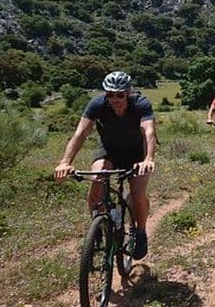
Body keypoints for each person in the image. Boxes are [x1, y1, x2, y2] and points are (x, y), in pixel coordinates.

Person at [54, 71, 157, 260]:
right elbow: (80, 134)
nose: (115, 99)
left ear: (129, 92)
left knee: (137, 192)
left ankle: (140, 232)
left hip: (137, 153)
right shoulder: (97, 105)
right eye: (110, 94)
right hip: (109, 150)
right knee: (97, 179)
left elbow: (148, 131)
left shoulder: (140, 104)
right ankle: (98, 226)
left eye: (120, 94)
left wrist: (149, 158)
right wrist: (65, 162)